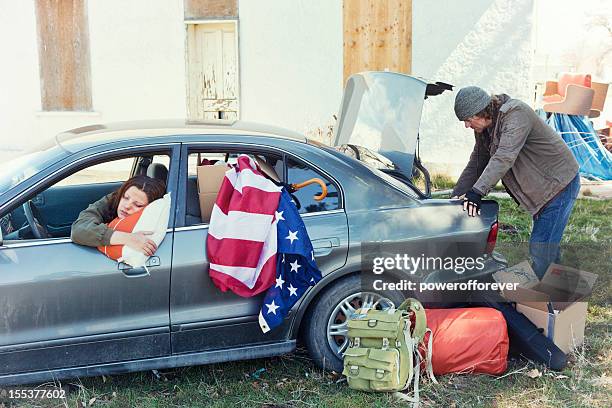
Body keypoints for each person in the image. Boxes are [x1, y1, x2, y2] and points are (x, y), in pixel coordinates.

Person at [451, 86, 580, 279]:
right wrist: (455, 196)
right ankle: (564, 291)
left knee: (540, 248)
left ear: (481, 112)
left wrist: (477, 192)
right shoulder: (485, 128)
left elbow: (504, 157)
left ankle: (544, 303)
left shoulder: (516, 114)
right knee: (547, 246)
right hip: (541, 188)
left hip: (559, 184)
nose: (467, 126)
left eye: (468, 120)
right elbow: (477, 163)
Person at [71, 175, 166, 256]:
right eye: (125, 197)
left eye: (138, 205)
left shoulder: (152, 222)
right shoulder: (113, 199)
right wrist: (128, 238)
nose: (127, 206)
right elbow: (79, 229)